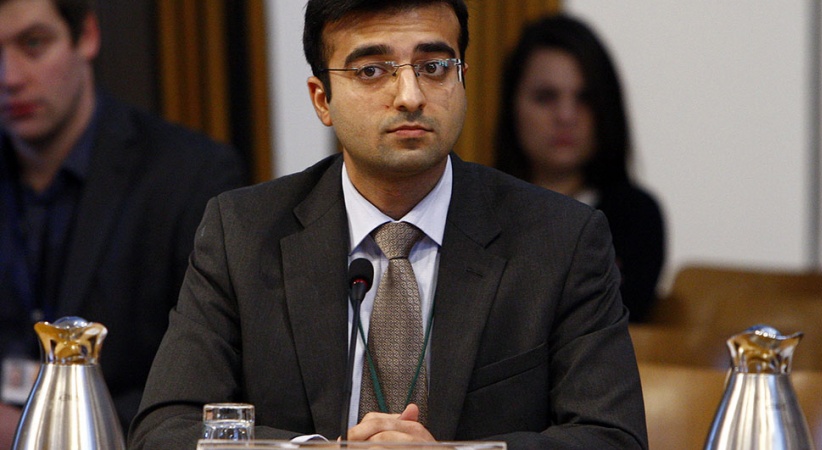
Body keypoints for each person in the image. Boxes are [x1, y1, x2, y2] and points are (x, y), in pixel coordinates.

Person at [129, 1, 648, 448]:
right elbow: (165, 429)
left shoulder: (561, 239)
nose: (410, 96)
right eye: (372, 70)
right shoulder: (242, 233)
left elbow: (612, 437)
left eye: (434, 66)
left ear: (462, 78)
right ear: (322, 99)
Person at [0, 0, 246, 444]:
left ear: (87, 36)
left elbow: (214, 381)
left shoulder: (190, 175)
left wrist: (46, 429)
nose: (10, 77)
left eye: (33, 44)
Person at [494, 14, 665, 323]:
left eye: (584, 98)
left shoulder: (636, 217)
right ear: (512, 105)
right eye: (546, 97)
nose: (566, 115)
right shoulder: (472, 209)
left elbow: (613, 328)